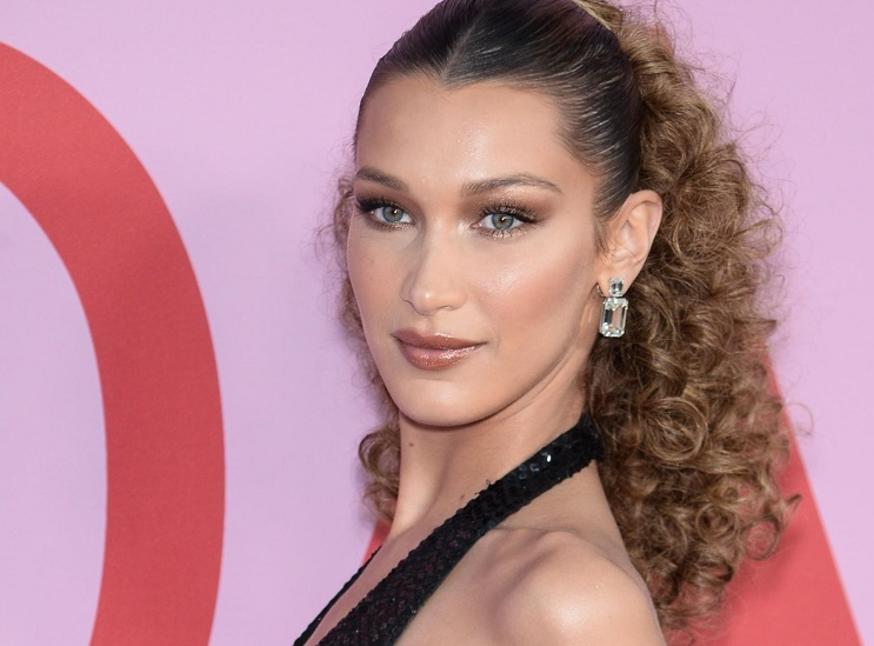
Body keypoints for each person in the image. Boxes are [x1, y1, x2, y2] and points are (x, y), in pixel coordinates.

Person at [297, 0, 800, 644]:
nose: (426, 288)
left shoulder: (565, 605)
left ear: (623, 242)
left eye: (502, 218)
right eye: (389, 211)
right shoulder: (443, 553)